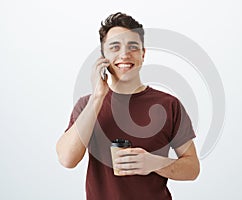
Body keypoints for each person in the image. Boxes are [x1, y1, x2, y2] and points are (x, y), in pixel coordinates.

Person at [56, 12, 200, 200]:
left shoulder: (169, 105)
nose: (124, 54)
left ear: (143, 54)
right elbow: (67, 159)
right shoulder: (87, 105)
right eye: (115, 47)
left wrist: (155, 163)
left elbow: (192, 168)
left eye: (132, 47)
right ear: (103, 56)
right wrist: (98, 96)